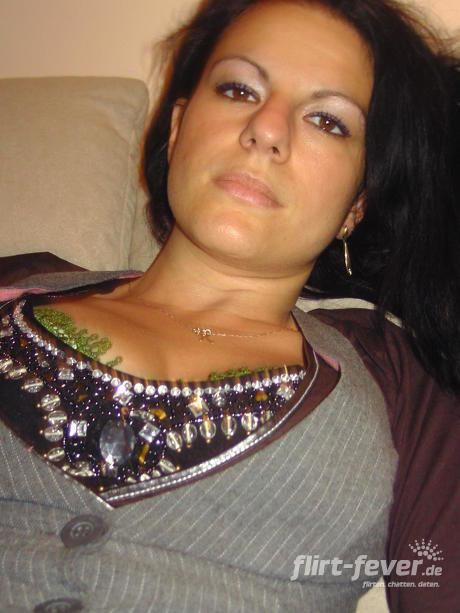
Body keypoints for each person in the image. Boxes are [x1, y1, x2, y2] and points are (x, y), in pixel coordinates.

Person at [0, 0, 458, 611]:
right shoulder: (17, 285)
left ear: (357, 203)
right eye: (239, 89)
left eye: (327, 121)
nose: (266, 129)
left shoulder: (400, 377)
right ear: (178, 127)